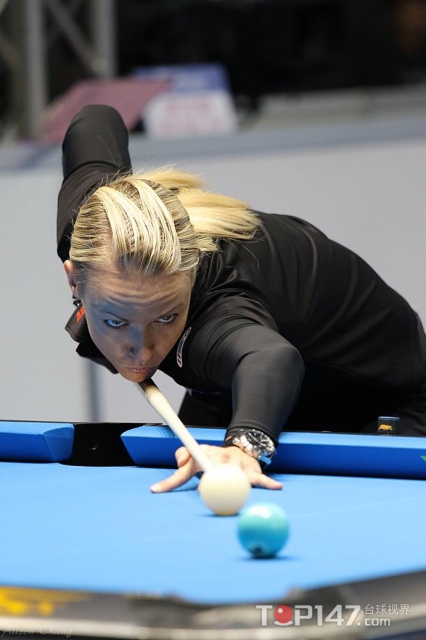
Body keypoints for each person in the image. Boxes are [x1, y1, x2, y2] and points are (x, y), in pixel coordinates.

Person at [57, 104, 426, 493]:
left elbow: (271, 358)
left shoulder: (220, 313)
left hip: (385, 404)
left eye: (166, 317)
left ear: (190, 275)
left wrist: (244, 446)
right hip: (230, 389)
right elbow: (95, 118)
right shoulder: (93, 226)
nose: (143, 350)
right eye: (117, 321)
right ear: (74, 279)